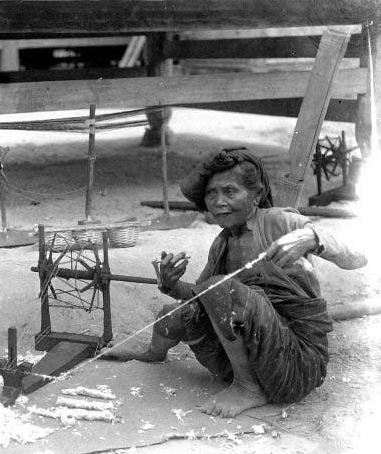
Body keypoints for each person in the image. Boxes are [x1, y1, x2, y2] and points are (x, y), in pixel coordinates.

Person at [104, 147, 367, 418]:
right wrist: (171, 285)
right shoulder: (222, 244)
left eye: (230, 192)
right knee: (174, 315)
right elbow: (201, 296)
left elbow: (360, 255)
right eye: (211, 193)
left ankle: (247, 388)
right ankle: (154, 352)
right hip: (245, 360)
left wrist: (311, 237)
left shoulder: (277, 222)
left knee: (221, 287)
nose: (218, 201)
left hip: (294, 365)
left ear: (258, 194)